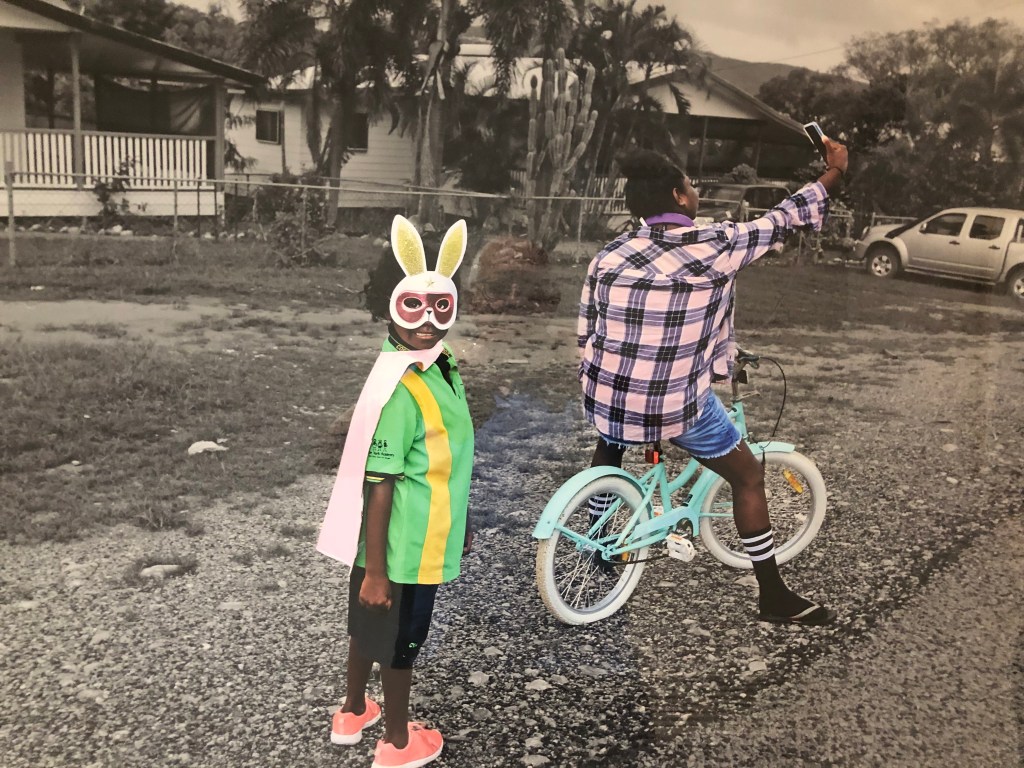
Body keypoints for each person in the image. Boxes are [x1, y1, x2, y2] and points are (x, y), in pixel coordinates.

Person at [578, 140, 849, 626]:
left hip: (608, 393)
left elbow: (588, 329)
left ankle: (599, 543)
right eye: (691, 185)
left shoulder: (610, 254)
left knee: (611, 438)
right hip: (673, 403)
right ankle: (773, 595)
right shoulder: (716, 244)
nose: (695, 191)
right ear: (679, 196)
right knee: (748, 475)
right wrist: (834, 171)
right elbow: (786, 216)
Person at [316, 215, 475, 768]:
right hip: (402, 548)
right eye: (413, 306)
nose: (428, 322)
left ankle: (353, 710)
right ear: (389, 303)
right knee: (401, 640)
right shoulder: (402, 387)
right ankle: (399, 743)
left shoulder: (433, 363)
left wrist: (461, 521)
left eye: (440, 307)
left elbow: (444, 459)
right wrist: (379, 573)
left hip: (402, 538)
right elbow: (379, 483)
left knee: (369, 625)